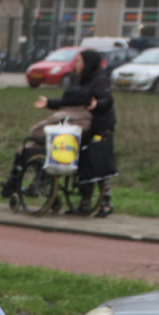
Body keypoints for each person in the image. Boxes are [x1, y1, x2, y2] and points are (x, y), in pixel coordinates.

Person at [35, 48, 117, 216]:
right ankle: (85, 203)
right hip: (85, 126)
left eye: (79, 61)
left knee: (97, 163)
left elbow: (106, 99)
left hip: (100, 126)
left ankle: (105, 204)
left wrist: (98, 104)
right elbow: (73, 101)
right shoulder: (81, 80)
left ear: (88, 64)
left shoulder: (99, 79)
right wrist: (50, 103)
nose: (76, 64)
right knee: (84, 163)